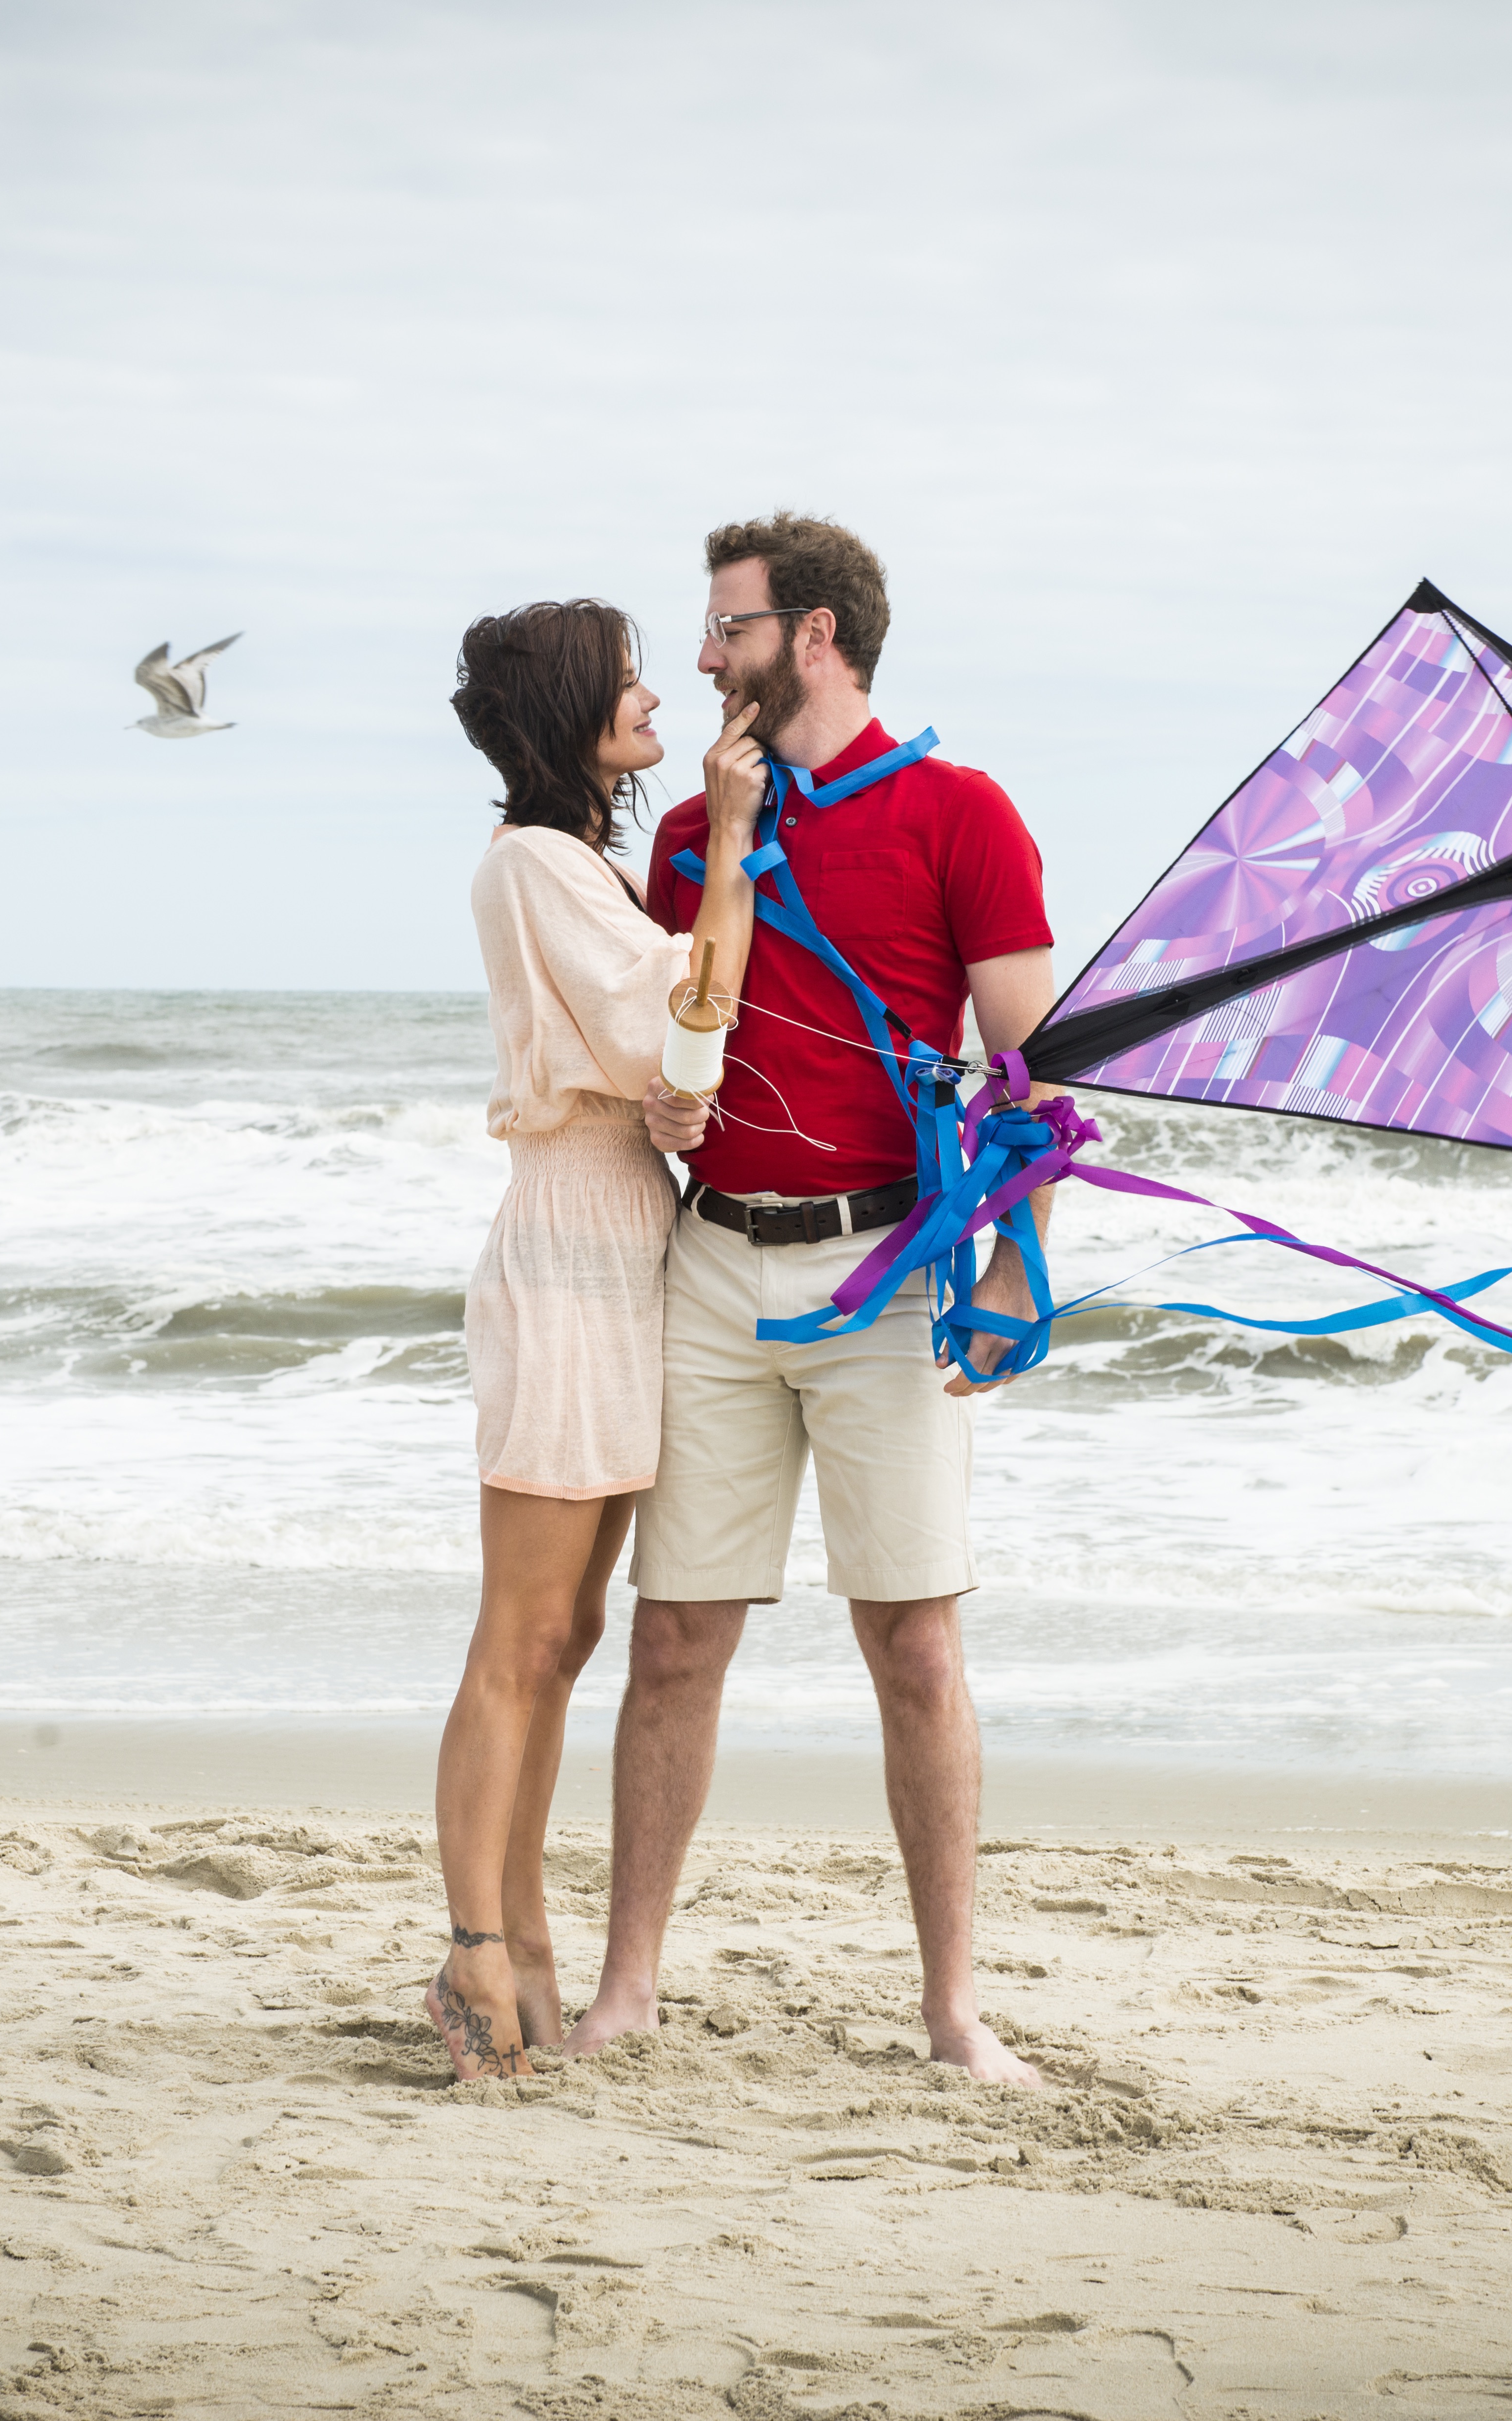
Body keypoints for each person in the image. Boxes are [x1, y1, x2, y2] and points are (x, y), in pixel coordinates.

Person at [563, 515, 1057, 2085]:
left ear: (817, 636)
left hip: (887, 1270)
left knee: (914, 1644)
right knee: (675, 1641)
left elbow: (1034, 1074)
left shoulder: (963, 815)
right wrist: (656, 1104)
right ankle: (629, 1988)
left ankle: (951, 2009)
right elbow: (670, 1034)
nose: (705, 659)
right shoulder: (697, 831)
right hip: (710, 1260)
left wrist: (1013, 1259)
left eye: (729, 629)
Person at [429, 599, 763, 2082]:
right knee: (521, 1638)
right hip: (570, 1253)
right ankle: (475, 1952)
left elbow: (661, 1058)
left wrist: (669, 1103)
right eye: (622, 678)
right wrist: (738, 841)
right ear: (566, 711)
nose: (650, 695)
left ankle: (529, 1933)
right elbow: (682, 1019)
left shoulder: (587, 868)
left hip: (625, 1238)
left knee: (567, 1639)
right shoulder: (535, 864)